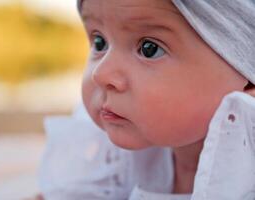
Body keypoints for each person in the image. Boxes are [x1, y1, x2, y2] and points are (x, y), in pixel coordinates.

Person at [39, 0, 255, 199]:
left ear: (248, 75)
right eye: (99, 42)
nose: (101, 74)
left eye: (149, 49)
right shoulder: (111, 166)